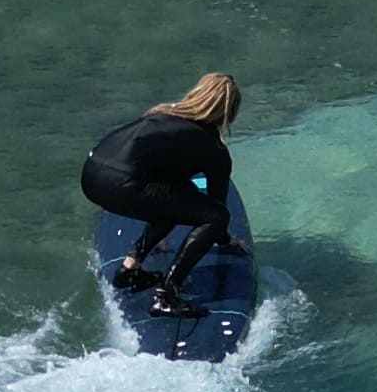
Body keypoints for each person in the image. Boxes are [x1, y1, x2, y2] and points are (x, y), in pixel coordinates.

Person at [80, 72, 251, 319]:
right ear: (229, 113)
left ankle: (130, 269)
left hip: (91, 175)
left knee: (176, 198)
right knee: (215, 216)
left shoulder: (163, 113)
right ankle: (166, 296)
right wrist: (225, 241)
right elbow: (215, 207)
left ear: (196, 94)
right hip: (124, 184)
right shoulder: (214, 151)